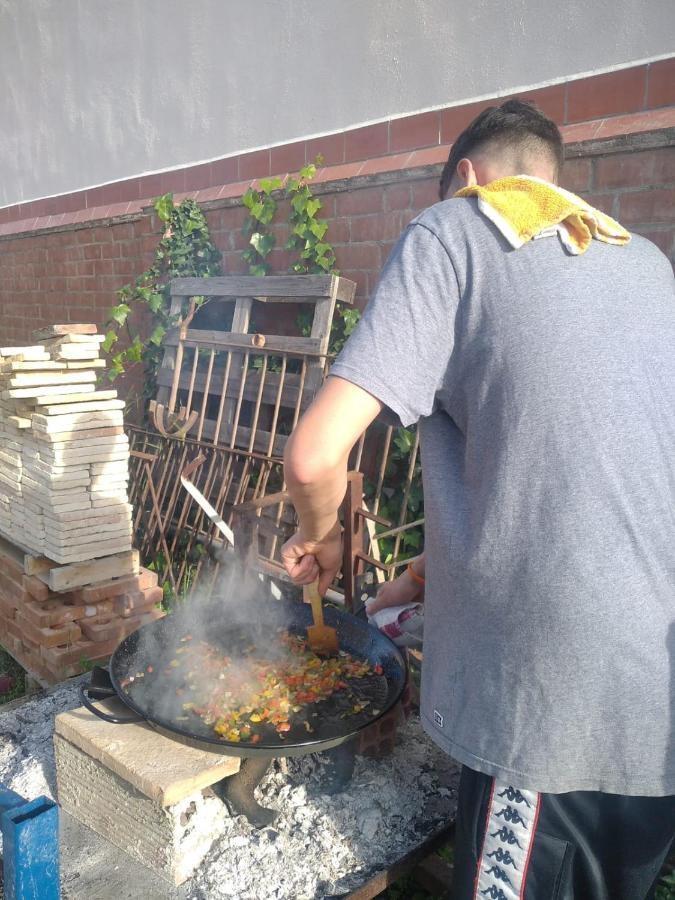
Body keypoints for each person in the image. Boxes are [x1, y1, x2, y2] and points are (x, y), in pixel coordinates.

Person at [280, 100, 675, 899]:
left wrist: (319, 537)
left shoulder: (456, 230)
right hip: (654, 694)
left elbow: (316, 456)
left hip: (553, 704)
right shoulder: (647, 264)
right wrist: (429, 571)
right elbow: (598, 480)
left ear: (465, 178)